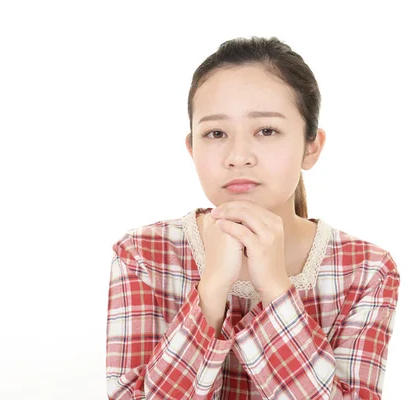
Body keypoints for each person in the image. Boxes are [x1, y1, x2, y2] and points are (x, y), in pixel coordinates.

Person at [106, 36, 400, 399]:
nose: (238, 156)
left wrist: (275, 288)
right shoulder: (142, 254)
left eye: (267, 131)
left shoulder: (366, 270)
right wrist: (211, 290)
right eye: (215, 133)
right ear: (192, 148)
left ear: (312, 147)